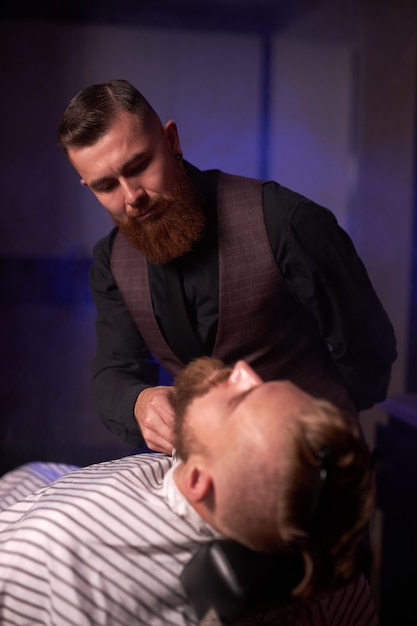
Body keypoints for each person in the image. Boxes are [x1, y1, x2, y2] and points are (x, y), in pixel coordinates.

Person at [57, 79, 397, 453]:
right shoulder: (110, 260)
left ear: (171, 141)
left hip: (317, 468)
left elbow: (369, 350)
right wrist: (138, 403)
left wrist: (323, 423)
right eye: (107, 186)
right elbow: (113, 371)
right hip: (207, 481)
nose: (132, 196)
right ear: (88, 186)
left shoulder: (287, 220)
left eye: (139, 166)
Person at [0, 358, 377, 625]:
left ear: (197, 480)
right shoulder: (332, 573)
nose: (243, 369)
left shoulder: (56, 545)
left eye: (239, 398)